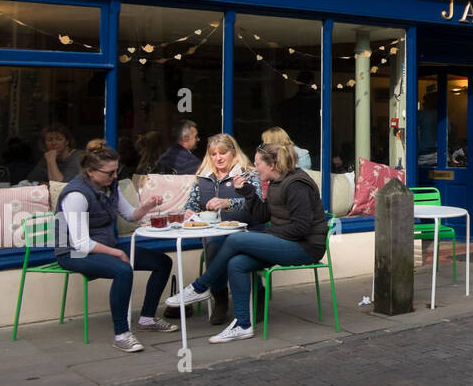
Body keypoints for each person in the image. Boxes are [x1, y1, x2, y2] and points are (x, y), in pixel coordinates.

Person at [167, 143, 328, 342]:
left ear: (272, 164)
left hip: (306, 247)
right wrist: (248, 192)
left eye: (258, 163)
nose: (255, 167)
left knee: (236, 239)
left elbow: (301, 228)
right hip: (287, 241)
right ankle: (243, 324)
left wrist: (268, 235)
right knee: (237, 264)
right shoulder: (277, 182)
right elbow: (262, 216)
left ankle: (201, 286)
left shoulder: (296, 185)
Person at [54, 141, 177, 352]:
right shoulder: (76, 195)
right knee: (122, 270)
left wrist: (148, 205)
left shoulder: (110, 187)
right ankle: (121, 334)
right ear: (91, 172)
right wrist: (117, 252)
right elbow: (81, 243)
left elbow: (130, 215)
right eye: (109, 173)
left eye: (116, 171)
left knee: (162, 262)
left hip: (104, 246)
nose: (114, 177)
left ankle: (147, 318)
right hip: (72, 253)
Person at [183, 133, 265, 325]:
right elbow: (191, 204)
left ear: (233, 152)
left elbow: (256, 204)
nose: (218, 158)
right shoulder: (203, 177)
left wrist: (227, 203)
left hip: (248, 230)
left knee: (228, 249)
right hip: (215, 233)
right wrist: (188, 211)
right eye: (213, 154)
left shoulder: (248, 173)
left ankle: (257, 297)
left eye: (223, 153)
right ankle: (220, 300)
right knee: (214, 245)